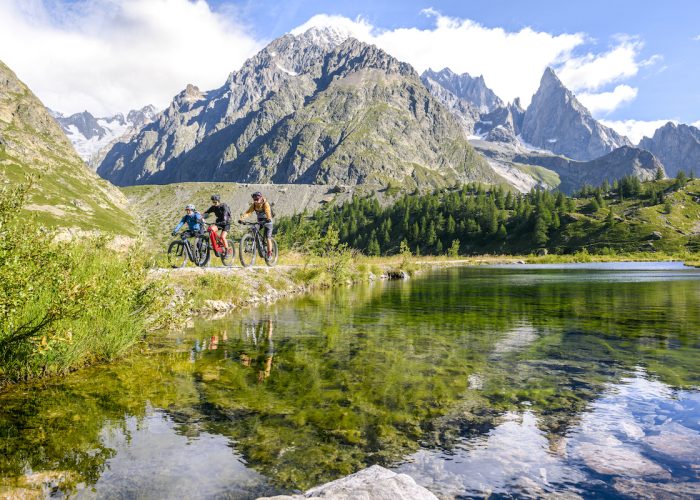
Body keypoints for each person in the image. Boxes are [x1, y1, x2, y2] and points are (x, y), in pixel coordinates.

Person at [239, 191, 273, 258]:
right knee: (253, 228)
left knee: (268, 237)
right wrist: (242, 219)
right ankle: (256, 242)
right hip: (260, 221)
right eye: (254, 200)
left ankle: (269, 253)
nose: (256, 201)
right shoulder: (254, 205)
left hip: (268, 221)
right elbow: (248, 212)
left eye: (257, 199)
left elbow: (267, 211)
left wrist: (268, 218)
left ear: (261, 198)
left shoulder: (265, 204)